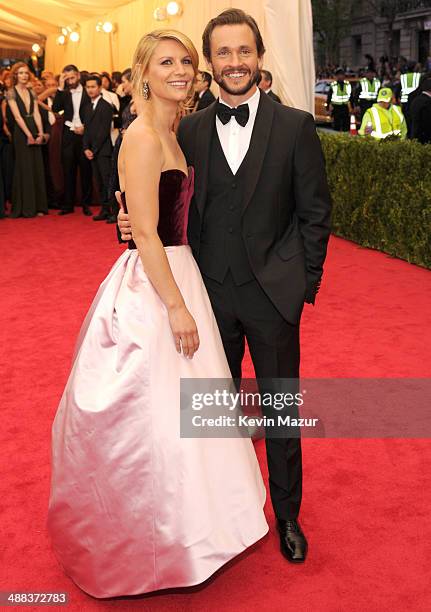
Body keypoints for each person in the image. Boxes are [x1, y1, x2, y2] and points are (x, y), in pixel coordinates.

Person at [47, 29, 268, 599]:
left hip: (182, 269)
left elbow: (149, 214)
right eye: (166, 62)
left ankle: (200, 524)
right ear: (142, 72)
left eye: (186, 61)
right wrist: (174, 305)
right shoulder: (144, 137)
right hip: (159, 284)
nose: (181, 70)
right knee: (154, 414)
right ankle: (155, 539)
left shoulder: (172, 132)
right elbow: (144, 231)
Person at [119, 8, 332, 564]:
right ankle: (222, 515)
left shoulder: (294, 126)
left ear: (259, 58)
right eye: (223, 53)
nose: (234, 62)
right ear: (210, 63)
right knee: (212, 413)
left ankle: (287, 516)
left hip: (273, 297)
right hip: (206, 295)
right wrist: (131, 222)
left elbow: (315, 214)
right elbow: (171, 207)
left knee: (282, 411)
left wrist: (301, 285)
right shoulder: (185, 129)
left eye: (244, 52)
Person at [6, 62, 48, 218]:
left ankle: (38, 207)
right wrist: (28, 135)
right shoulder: (10, 93)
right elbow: (17, 116)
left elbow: (36, 113)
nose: (23, 76)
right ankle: (25, 207)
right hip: (21, 132)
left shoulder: (32, 92)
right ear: (15, 75)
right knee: (24, 167)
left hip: (34, 129)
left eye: (25, 73)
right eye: (20, 73)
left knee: (36, 166)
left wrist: (41, 133)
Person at [52, 64, 93, 216]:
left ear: (78, 75)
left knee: (86, 171)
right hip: (69, 136)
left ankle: (86, 205)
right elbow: (56, 108)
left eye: (72, 77)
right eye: (67, 78)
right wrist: (60, 87)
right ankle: (68, 205)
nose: (70, 81)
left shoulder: (88, 91)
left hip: (84, 135)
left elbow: (93, 113)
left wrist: (85, 127)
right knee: (68, 170)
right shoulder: (64, 93)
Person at [82, 74, 113, 221]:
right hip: (92, 151)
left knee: (107, 181)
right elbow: (86, 130)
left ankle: (113, 211)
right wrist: (85, 148)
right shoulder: (87, 107)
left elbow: (103, 131)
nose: (90, 90)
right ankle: (104, 210)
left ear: (100, 88)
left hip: (103, 151)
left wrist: (93, 150)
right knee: (98, 182)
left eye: (93, 87)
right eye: (88, 87)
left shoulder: (106, 106)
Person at [409, 77, 431, 144]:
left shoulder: (415, 100)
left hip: (415, 136)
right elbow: (428, 124)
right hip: (425, 140)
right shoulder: (428, 102)